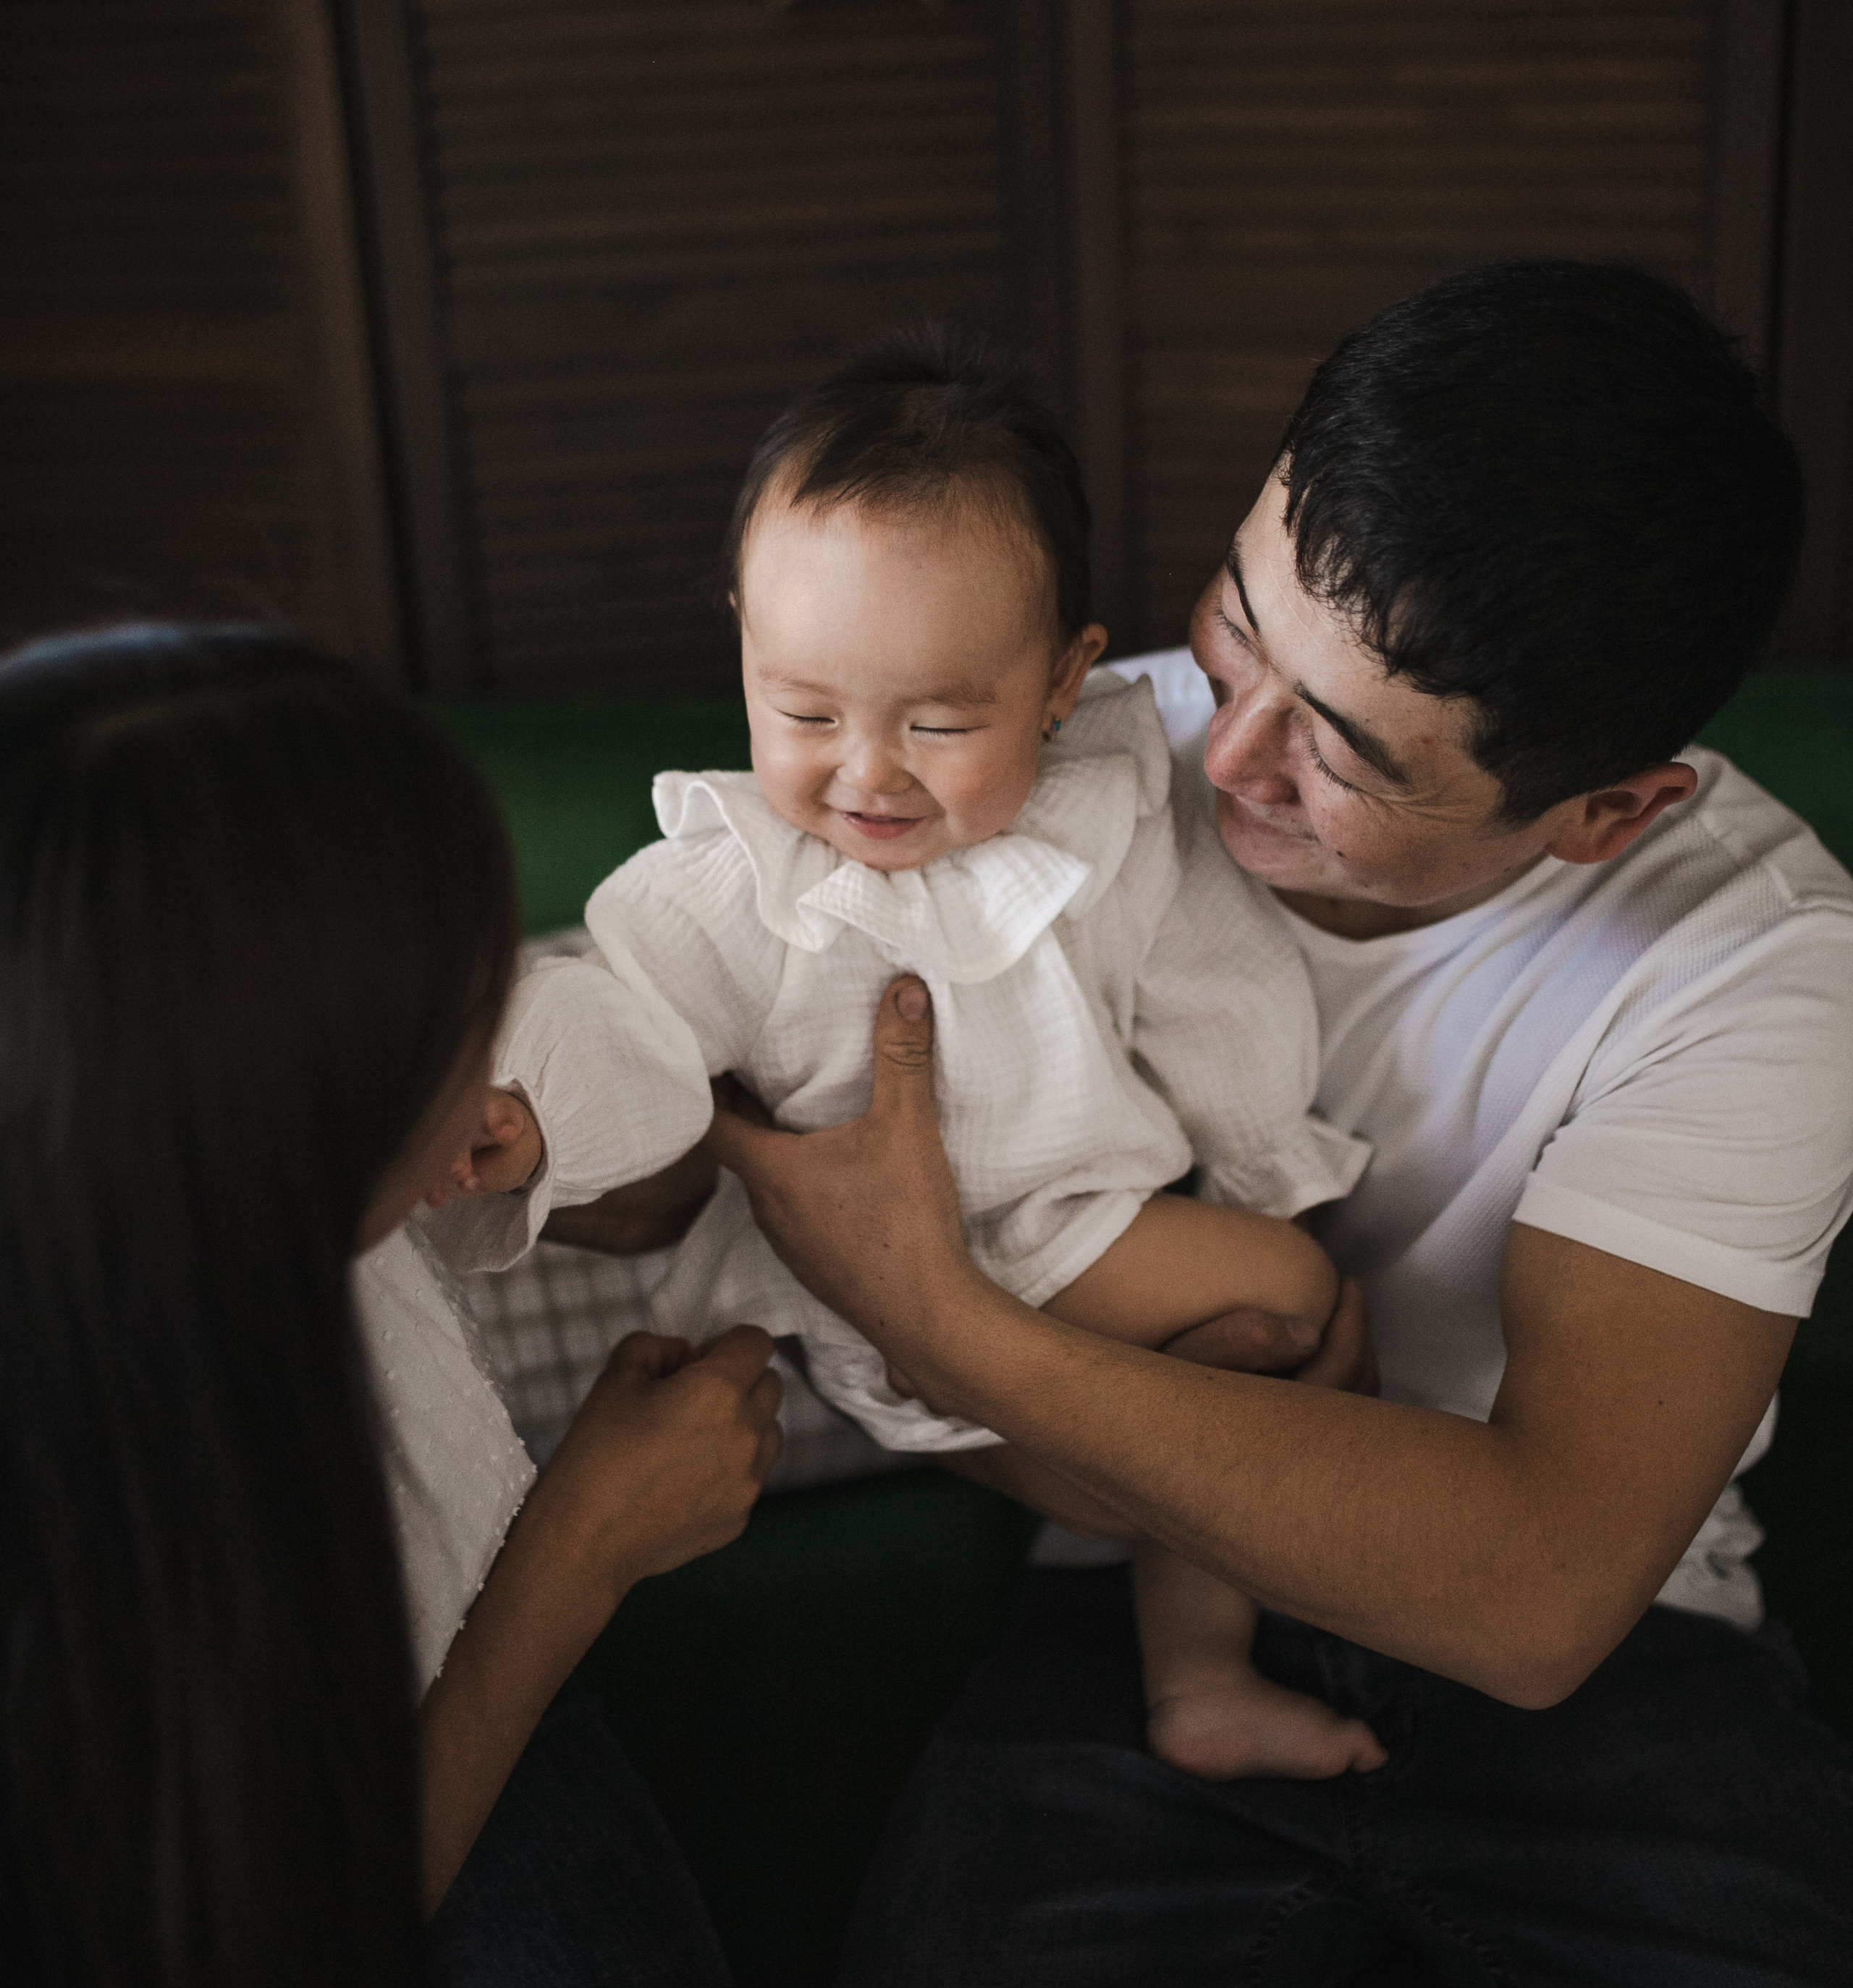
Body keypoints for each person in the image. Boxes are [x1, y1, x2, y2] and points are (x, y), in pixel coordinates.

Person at [703, 265, 1853, 1988]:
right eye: (1232, 629)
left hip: (1632, 1669)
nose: (1215, 760)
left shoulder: (1759, 963)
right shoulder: (1051, 757)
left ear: (1604, 812)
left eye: (1334, 757)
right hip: (1112, 1623)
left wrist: (935, 1322)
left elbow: (1541, 1589)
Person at [444, 331, 1389, 1781]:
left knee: (1279, 1318)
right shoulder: (732, 881)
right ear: (745, 658)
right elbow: (621, 1014)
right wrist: (533, 1111)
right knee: (1289, 1306)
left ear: (1065, 679)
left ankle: (1190, 1667)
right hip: (861, 1274)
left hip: (1076, 1228)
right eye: (803, 712)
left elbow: (1218, 989)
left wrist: (1265, 1162)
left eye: (940, 723)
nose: (867, 773)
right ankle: (1058, 1472)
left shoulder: (1116, 814)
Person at [0, 625, 791, 1988]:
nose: (491, 1046)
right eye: (448, 1027)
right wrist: (577, 1555)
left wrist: (596, 1160)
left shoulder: (125, 1151)